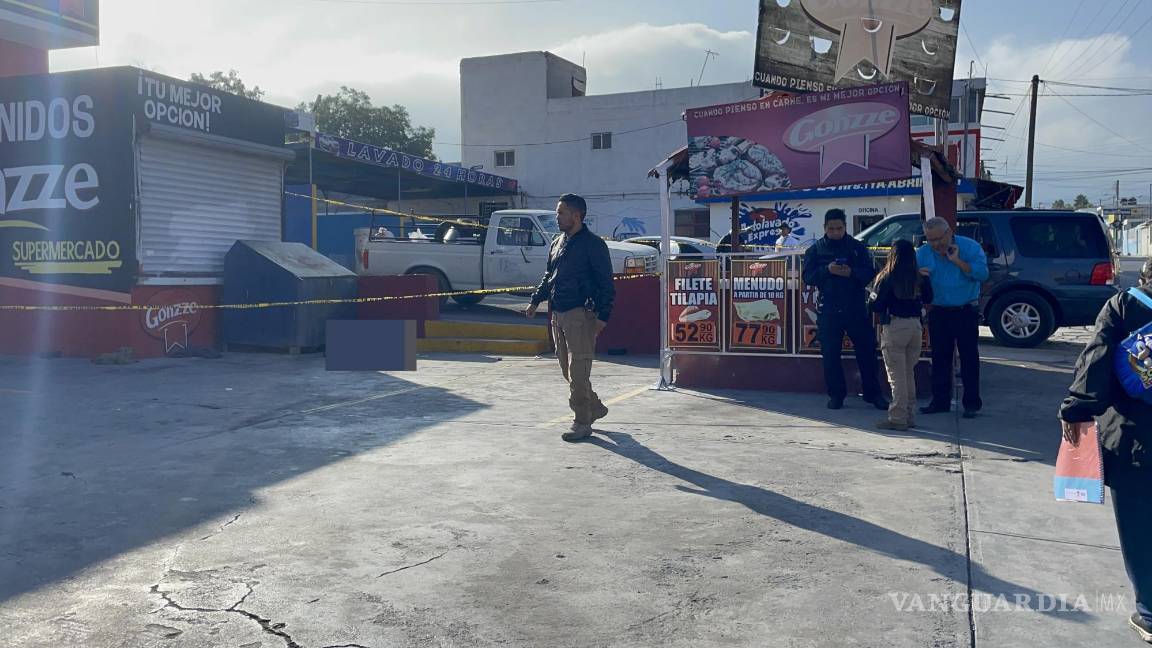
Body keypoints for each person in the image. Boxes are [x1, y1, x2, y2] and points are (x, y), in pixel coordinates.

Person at [1059, 258, 1152, 644]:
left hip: (1135, 439)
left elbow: (1096, 364)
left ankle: (1149, 612)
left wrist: (1076, 409)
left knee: (1140, 526)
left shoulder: (1126, 306)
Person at [525, 193, 615, 442]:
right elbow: (548, 275)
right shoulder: (557, 242)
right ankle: (594, 407)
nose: (557, 217)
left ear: (577, 215)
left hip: (581, 314)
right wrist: (535, 300)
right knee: (567, 370)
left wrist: (603, 316)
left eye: (561, 213)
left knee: (579, 372)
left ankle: (582, 421)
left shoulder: (594, 245)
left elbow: (606, 283)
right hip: (558, 313)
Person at [801, 209, 887, 411]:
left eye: (839, 228)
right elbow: (808, 277)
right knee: (830, 355)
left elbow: (869, 273)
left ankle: (873, 394)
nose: (835, 232)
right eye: (831, 228)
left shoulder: (857, 247)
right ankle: (836, 396)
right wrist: (827, 270)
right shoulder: (815, 250)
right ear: (824, 228)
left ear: (845, 227)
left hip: (855, 307)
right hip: (829, 309)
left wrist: (851, 273)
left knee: (866, 352)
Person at [916, 217, 989, 418]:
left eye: (940, 238)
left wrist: (957, 261)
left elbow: (982, 274)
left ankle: (972, 403)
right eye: (931, 240)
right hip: (939, 311)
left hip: (965, 310)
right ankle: (940, 401)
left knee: (969, 358)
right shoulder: (923, 253)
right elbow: (909, 278)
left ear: (949, 233)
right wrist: (917, 276)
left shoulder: (969, 247)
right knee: (940, 358)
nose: (937, 244)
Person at [870, 239, 933, 431]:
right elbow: (929, 298)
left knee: (897, 377)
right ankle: (909, 416)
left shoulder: (887, 277)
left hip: (895, 326)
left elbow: (875, 305)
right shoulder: (919, 277)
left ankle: (897, 419)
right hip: (915, 327)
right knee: (908, 374)